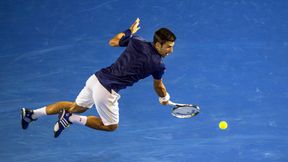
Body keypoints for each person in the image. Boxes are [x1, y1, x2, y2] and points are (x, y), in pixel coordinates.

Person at [21, 18, 176, 138]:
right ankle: (70, 119)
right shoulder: (158, 65)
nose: (171, 50)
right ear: (157, 44)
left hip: (95, 79)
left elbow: (113, 42)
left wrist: (129, 31)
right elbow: (159, 87)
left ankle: (32, 114)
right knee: (111, 125)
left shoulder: (137, 41)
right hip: (107, 91)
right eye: (168, 46)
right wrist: (165, 99)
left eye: (172, 46)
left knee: (76, 106)